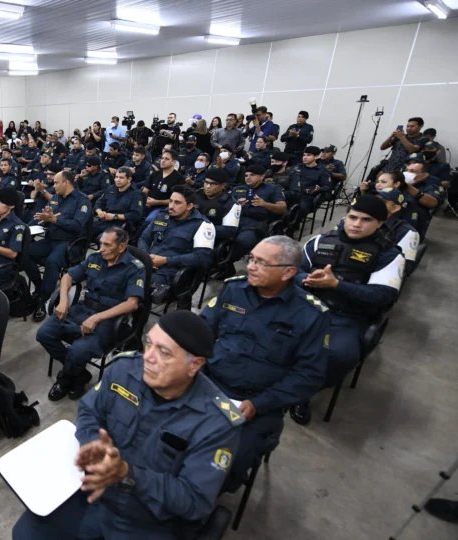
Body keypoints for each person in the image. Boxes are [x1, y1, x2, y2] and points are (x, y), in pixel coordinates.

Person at [13, 311, 243, 540]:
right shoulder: (124, 370)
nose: (148, 357)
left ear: (194, 365)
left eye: (164, 352)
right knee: (25, 533)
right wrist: (95, 447)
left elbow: (194, 501)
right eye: (149, 344)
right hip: (93, 495)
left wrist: (127, 473)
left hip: (148, 521)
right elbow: (89, 410)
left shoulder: (217, 423)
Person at [200, 235, 330, 490]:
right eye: (251, 259)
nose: (250, 267)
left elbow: (308, 376)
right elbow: (202, 330)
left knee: (226, 466)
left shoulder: (311, 315)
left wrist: (259, 404)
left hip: (256, 402)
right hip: (206, 383)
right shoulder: (234, 289)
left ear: (288, 272)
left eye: (261, 263)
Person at [290, 196, 403, 425]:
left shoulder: (388, 255)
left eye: (366, 220)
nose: (356, 224)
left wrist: (337, 286)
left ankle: (303, 394)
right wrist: (309, 278)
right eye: (352, 217)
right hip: (306, 307)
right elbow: (294, 270)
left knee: (338, 355)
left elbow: (383, 295)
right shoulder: (321, 241)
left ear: (380, 223)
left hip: (348, 317)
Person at [36, 227, 145, 401]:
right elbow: (67, 277)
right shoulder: (95, 258)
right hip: (81, 309)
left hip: (107, 319)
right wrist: (64, 300)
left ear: (122, 246)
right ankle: (80, 375)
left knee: (77, 351)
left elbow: (132, 304)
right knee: (44, 334)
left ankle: (66, 379)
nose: (101, 248)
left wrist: (96, 318)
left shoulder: (134, 268)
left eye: (107, 245)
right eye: (100, 243)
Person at [24, 170, 92, 322]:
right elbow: (48, 215)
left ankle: (43, 299)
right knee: (25, 252)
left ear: (66, 183)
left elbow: (77, 226)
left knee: (52, 261)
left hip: (69, 243)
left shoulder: (82, 201)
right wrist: (42, 219)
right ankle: (40, 286)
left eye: (56, 182)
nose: (53, 185)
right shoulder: (55, 198)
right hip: (51, 238)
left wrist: (55, 220)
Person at [138, 186, 215, 307]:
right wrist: (146, 256)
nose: (171, 206)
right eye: (170, 201)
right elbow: (144, 238)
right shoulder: (162, 216)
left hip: (172, 271)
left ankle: (137, 323)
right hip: (148, 263)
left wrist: (165, 260)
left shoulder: (203, 225)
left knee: (138, 289)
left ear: (189, 206)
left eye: (177, 202)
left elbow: (202, 257)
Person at [93, 166, 143, 237]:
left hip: (121, 226)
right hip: (105, 221)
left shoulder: (136, 194)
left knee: (101, 238)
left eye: (121, 178)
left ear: (129, 179)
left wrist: (115, 216)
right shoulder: (111, 188)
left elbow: (136, 215)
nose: (117, 180)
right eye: (116, 177)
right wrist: (100, 212)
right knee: (83, 231)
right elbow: (99, 203)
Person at [376, 188, 420, 266]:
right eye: (374, 198)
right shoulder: (357, 220)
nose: (375, 203)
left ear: (395, 208)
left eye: (383, 201)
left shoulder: (407, 232)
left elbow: (404, 268)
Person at [298, 146, 332, 214]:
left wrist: (319, 189)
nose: (305, 157)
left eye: (308, 155)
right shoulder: (298, 167)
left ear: (316, 157)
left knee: (298, 209)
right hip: (294, 194)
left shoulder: (322, 171)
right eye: (304, 155)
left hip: (307, 197)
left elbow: (327, 187)